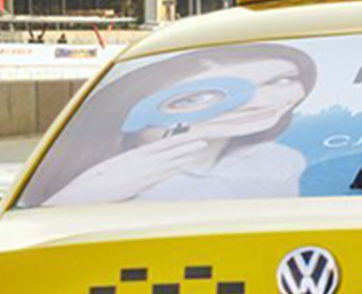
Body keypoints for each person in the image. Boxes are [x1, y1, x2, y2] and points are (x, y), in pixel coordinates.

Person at [30, 42, 318, 205]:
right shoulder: (88, 184)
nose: (259, 102)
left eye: (281, 80)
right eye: (196, 98)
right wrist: (80, 198)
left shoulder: (280, 162)